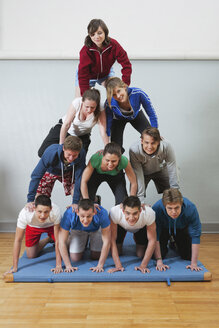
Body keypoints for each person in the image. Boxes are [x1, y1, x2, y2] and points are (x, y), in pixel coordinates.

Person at [38, 89, 109, 157]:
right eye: (86, 107)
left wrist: (107, 149)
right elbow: (66, 124)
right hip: (65, 129)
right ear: (82, 102)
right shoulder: (77, 102)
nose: (89, 110)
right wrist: (61, 145)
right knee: (42, 152)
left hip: (82, 136)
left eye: (92, 107)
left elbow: (103, 131)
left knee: (78, 160)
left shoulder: (101, 108)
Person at [4, 195, 62, 275]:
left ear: (50, 209)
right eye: (39, 211)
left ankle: (57, 238)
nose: (42, 215)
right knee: (31, 255)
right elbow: (18, 240)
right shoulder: (25, 214)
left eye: (46, 212)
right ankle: (48, 239)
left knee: (66, 244)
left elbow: (58, 240)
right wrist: (14, 267)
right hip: (33, 226)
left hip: (51, 225)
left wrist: (58, 265)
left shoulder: (56, 210)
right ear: (34, 208)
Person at [27, 136, 86, 212]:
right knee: (40, 199)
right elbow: (36, 176)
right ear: (63, 148)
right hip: (51, 171)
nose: (71, 158)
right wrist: (30, 200)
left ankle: (81, 216)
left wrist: (75, 202)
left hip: (68, 171)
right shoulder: (51, 152)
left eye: (74, 155)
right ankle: (41, 219)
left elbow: (79, 177)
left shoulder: (81, 153)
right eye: (69, 154)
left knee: (79, 195)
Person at [76, 18, 132, 96]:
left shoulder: (114, 45)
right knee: (81, 102)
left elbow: (126, 64)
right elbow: (83, 75)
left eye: (99, 33)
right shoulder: (85, 50)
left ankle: (111, 108)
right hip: (88, 76)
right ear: (89, 35)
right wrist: (85, 96)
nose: (97, 37)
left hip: (105, 74)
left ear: (105, 32)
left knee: (117, 93)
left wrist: (125, 85)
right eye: (93, 34)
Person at [152, 188, 202, 272]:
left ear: (181, 204)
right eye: (170, 208)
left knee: (187, 256)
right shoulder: (156, 209)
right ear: (164, 206)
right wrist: (159, 261)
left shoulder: (190, 208)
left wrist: (194, 263)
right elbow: (155, 236)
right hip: (164, 229)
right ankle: (168, 242)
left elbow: (196, 235)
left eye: (176, 207)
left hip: (181, 228)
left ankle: (174, 242)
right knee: (156, 256)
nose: (174, 212)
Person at [105, 77, 158, 152]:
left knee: (151, 138)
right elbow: (108, 120)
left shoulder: (138, 93)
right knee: (115, 149)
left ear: (124, 87)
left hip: (136, 116)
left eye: (119, 91)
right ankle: (119, 160)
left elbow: (151, 113)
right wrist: (107, 137)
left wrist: (155, 131)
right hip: (118, 120)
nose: (118, 96)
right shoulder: (109, 102)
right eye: (114, 95)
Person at [59, 198, 111, 273]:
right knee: (75, 258)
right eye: (82, 216)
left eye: (89, 216)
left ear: (94, 212)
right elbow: (61, 242)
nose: (85, 220)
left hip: (95, 229)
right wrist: (68, 266)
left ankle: (89, 241)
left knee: (96, 256)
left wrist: (100, 265)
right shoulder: (69, 213)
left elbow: (107, 241)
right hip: (78, 230)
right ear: (77, 212)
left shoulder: (102, 212)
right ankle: (81, 240)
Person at [129, 127, 179, 205]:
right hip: (142, 173)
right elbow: (138, 174)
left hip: (160, 169)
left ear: (158, 142)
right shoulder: (134, 150)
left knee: (174, 194)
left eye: (153, 143)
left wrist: (175, 191)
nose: (149, 147)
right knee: (136, 196)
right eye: (146, 142)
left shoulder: (167, 145)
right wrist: (140, 201)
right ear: (141, 141)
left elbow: (172, 167)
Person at [108, 196, 156, 274]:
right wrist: (118, 265)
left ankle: (136, 238)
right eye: (128, 213)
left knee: (140, 254)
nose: (131, 217)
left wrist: (143, 265)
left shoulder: (149, 213)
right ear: (123, 210)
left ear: (140, 210)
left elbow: (152, 240)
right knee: (118, 252)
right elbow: (112, 239)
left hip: (140, 228)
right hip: (121, 227)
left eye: (135, 213)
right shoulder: (114, 212)